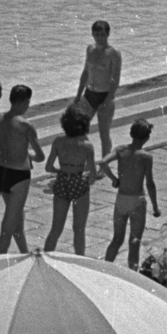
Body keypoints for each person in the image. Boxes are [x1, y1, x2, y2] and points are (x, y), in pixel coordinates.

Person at [0, 85, 44, 254]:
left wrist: (8, 153)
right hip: (19, 176)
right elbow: (40, 156)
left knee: (16, 220)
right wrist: (26, 154)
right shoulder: (25, 126)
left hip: (2, 172)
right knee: (7, 228)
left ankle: (25, 254)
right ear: (26, 101)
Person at [102, 118, 160, 269]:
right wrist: (155, 207)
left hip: (121, 199)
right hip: (137, 201)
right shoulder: (146, 157)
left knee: (117, 239)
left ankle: (104, 269)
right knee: (134, 242)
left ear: (131, 134)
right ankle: (132, 274)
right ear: (147, 138)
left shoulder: (121, 150)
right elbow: (150, 183)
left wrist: (114, 179)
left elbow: (102, 162)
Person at [43, 104, 97, 255]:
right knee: (79, 229)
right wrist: (84, 175)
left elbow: (48, 167)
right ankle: (80, 260)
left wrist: (61, 171)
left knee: (56, 228)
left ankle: (45, 258)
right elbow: (93, 174)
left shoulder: (58, 142)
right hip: (79, 183)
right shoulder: (87, 146)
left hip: (62, 182)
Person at [76, 20, 122, 155]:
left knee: (104, 133)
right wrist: (78, 95)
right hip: (89, 94)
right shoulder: (90, 49)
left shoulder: (113, 53)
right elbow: (85, 73)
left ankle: (104, 165)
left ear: (108, 34)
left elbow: (116, 79)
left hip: (105, 95)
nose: (99, 38)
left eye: (102, 35)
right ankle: (84, 161)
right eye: (96, 35)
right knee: (79, 130)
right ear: (92, 34)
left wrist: (108, 100)